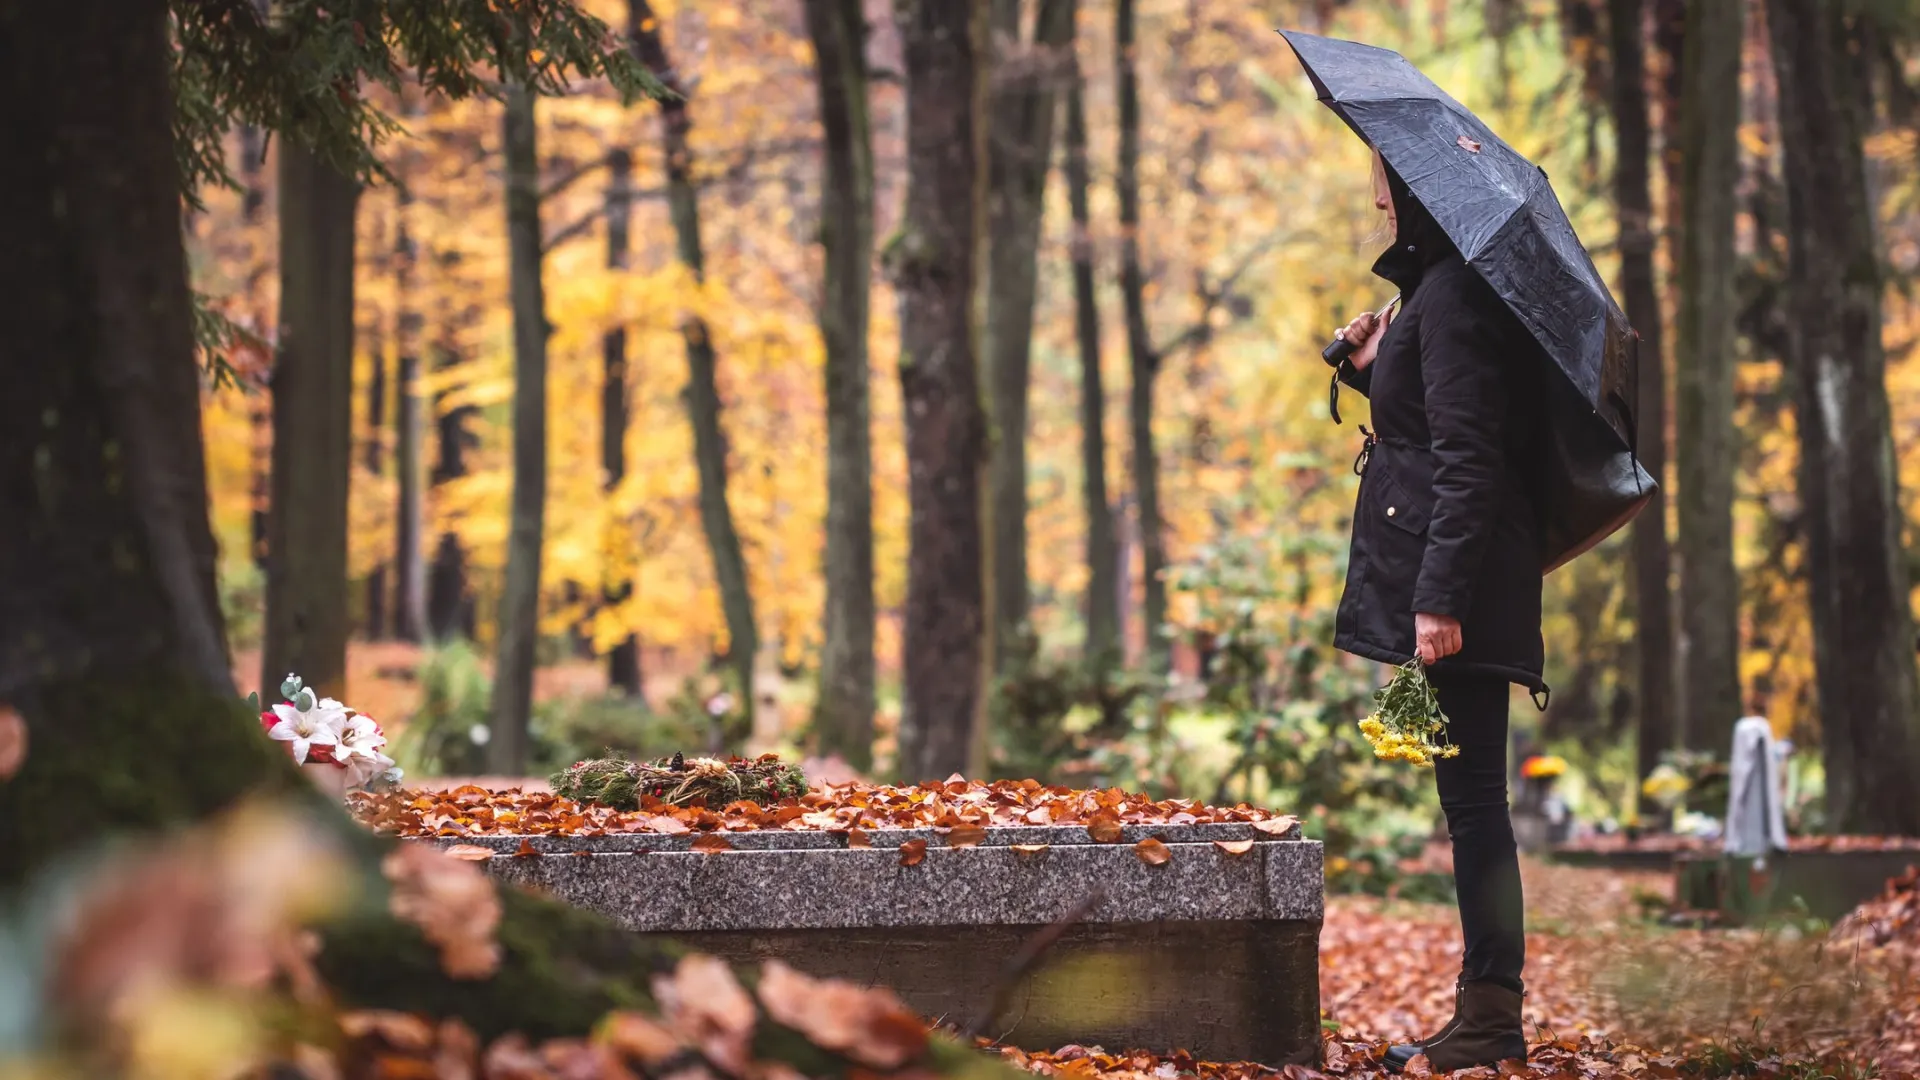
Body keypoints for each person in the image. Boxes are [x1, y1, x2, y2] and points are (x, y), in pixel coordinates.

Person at [1329, 149, 1547, 1073]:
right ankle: (1486, 1012)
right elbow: (1419, 426)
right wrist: (1364, 363)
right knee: (1471, 808)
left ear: (1415, 191)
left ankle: (1494, 1016)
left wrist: (1438, 604)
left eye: (1384, 179)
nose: (1376, 194)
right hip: (1459, 582)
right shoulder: (1435, 296)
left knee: (1476, 811)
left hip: (1465, 589)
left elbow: (1470, 459)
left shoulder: (1455, 298)